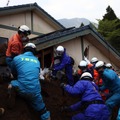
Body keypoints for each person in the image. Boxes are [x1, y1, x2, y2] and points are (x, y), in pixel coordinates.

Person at [7, 43, 50, 120]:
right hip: (35, 91)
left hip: (21, 88)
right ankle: (46, 117)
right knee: (43, 110)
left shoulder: (17, 58)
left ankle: (11, 93)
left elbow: (13, 71)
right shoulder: (37, 61)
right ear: (34, 51)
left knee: (12, 83)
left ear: (24, 49)